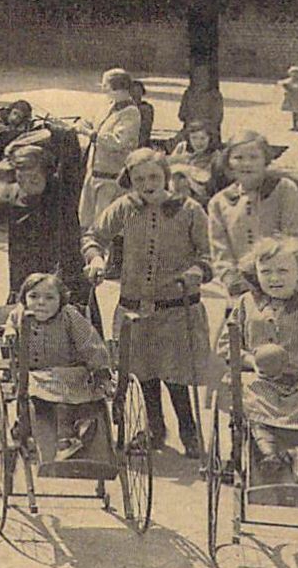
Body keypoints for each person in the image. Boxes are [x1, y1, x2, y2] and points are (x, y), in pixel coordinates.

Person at [82, 147, 215, 456]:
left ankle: (189, 430)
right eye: (139, 178)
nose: (147, 183)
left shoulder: (190, 209)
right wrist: (97, 259)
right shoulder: (123, 207)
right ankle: (155, 428)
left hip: (177, 306)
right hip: (135, 307)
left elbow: (209, 255)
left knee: (175, 373)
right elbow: (93, 236)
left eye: (154, 176)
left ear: (166, 176)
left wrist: (198, 270)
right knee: (143, 373)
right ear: (130, 180)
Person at [220, 237, 298, 486]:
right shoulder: (246, 304)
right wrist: (251, 360)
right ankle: (268, 454)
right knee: (246, 390)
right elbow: (226, 345)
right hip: (263, 379)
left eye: (283, 271)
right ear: (256, 273)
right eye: (266, 272)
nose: (274, 278)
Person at [0, 272, 113, 461]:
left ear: (61, 300)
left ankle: (70, 434)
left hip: (69, 371)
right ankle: (30, 425)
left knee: (77, 396)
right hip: (35, 373)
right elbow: (10, 323)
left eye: (49, 298)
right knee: (35, 394)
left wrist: (101, 372)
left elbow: (89, 342)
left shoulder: (69, 316)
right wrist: (10, 332)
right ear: (24, 298)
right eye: (34, 296)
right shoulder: (20, 313)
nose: (41, 302)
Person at [0, 142, 88, 306]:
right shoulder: (14, 192)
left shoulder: (60, 195)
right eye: (21, 178)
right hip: (23, 273)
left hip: (61, 273)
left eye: (34, 179)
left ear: (48, 175)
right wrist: (1, 182)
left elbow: (70, 151)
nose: (27, 185)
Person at [207, 131, 298, 298]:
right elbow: (221, 252)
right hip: (243, 290)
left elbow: (296, 237)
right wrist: (235, 281)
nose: (246, 163)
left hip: (286, 283)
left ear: (265, 160)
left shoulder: (283, 189)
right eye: (239, 158)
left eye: (254, 157)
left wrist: (278, 275)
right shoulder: (219, 202)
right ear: (228, 163)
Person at [74, 67, 141, 228]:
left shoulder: (130, 113)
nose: (103, 88)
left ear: (115, 87)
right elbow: (91, 121)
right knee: (85, 221)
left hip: (110, 178)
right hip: (93, 174)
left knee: (105, 225)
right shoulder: (107, 105)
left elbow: (119, 142)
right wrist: (82, 124)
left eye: (105, 84)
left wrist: (90, 134)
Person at [165, 118, 226, 206]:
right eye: (194, 138)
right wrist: (177, 159)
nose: (198, 142)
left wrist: (186, 170)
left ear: (210, 138)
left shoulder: (215, 155)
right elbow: (168, 167)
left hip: (201, 193)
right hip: (176, 188)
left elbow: (208, 180)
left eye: (203, 138)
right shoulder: (182, 147)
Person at [279, 66, 298, 133]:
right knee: (294, 113)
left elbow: (296, 88)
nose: (294, 75)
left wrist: (289, 87)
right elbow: (283, 83)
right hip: (292, 99)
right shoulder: (290, 81)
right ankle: (294, 125)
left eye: (296, 73)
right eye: (293, 73)